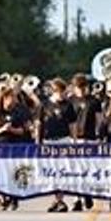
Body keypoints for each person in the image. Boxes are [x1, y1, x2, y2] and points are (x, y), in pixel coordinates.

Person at [0, 87, 32, 211]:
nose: (14, 100)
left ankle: (13, 198)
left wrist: (12, 130)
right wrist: (2, 129)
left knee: (13, 173)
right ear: (5, 98)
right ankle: (1, 198)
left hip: (14, 147)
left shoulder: (19, 111)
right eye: (11, 97)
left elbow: (24, 130)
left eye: (15, 97)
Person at [38, 78, 77, 213]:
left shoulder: (68, 105)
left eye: (63, 91)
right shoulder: (44, 105)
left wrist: (74, 141)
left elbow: (72, 124)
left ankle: (60, 200)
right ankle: (56, 199)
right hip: (49, 140)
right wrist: (39, 141)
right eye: (59, 91)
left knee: (61, 171)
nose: (61, 94)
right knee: (51, 172)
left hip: (63, 139)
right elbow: (40, 124)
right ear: (54, 91)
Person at [69, 73, 102, 212]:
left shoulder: (94, 101)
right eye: (78, 87)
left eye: (83, 86)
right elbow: (69, 121)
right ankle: (77, 199)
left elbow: (99, 119)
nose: (81, 89)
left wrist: (99, 135)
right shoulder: (70, 101)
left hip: (90, 137)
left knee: (88, 168)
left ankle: (87, 193)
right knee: (75, 170)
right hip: (75, 138)